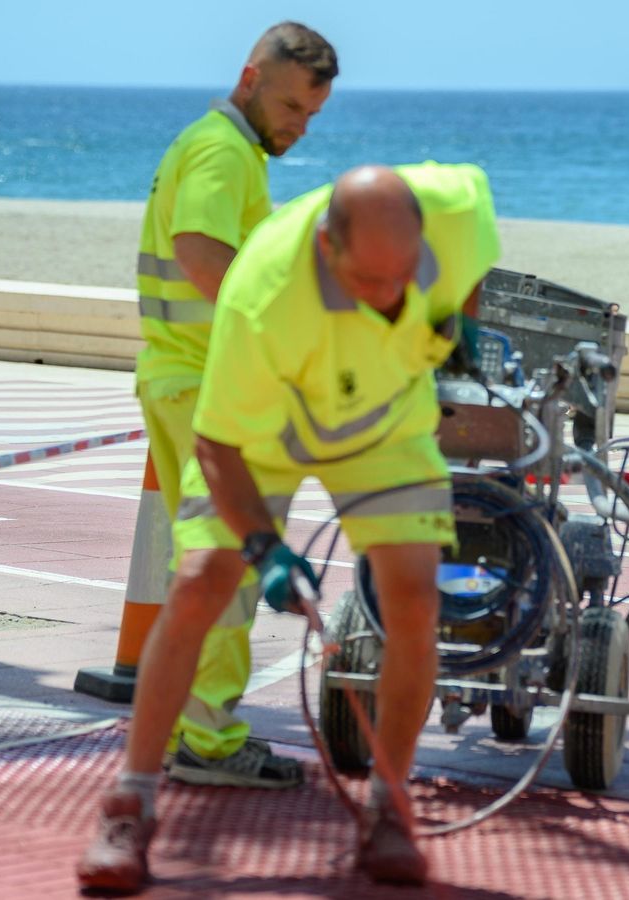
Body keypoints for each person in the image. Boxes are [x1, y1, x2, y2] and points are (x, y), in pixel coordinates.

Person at [77, 162, 500, 892]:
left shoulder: (458, 209)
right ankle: (130, 803)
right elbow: (217, 444)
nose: (388, 297)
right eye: (369, 282)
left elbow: (471, 267)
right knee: (203, 580)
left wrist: (454, 321)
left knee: (414, 596)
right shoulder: (262, 298)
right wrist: (265, 548)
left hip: (385, 423)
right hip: (266, 434)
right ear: (328, 248)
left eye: (402, 278)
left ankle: (387, 807)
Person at [122, 21, 336, 793]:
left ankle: (191, 725)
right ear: (250, 77)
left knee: (205, 562)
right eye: (289, 107)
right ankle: (209, 742)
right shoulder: (222, 150)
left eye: (310, 117)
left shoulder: (217, 143)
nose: (297, 126)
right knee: (223, 564)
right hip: (206, 382)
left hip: (182, 374)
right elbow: (204, 254)